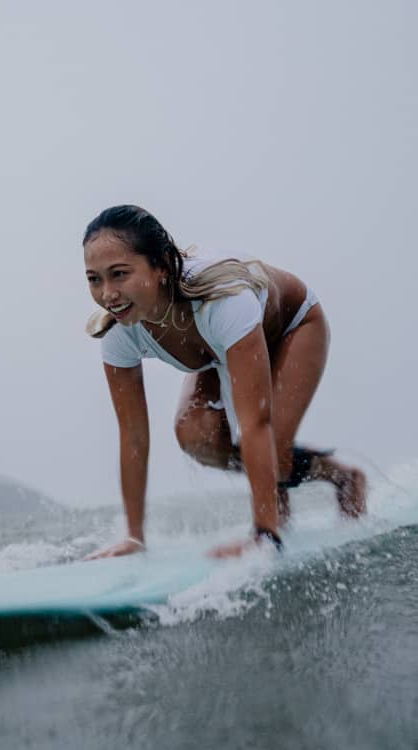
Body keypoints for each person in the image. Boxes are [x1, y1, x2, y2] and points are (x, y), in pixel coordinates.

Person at [83, 205, 366, 559]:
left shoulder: (223, 302)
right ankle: (276, 505)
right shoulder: (118, 329)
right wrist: (135, 537)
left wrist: (263, 537)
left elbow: (254, 423)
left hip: (294, 326)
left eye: (119, 274)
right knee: (195, 435)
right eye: (94, 279)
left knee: (270, 441)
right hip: (219, 346)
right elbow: (133, 436)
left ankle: (337, 482)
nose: (107, 293)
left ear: (160, 267)